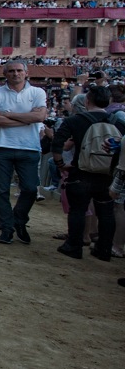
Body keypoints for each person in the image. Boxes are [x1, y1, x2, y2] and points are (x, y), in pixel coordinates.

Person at [0, 61, 48, 245]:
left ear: (26, 73)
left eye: (19, 70)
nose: (15, 74)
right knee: (1, 191)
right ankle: (6, 228)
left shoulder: (37, 92)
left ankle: (18, 220)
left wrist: (8, 115)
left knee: (29, 189)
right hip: (1, 147)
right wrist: (27, 119)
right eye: (11, 71)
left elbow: (40, 117)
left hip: (29, 147)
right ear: (5, 73)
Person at [54, 86, 117, 261]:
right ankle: (104, 250)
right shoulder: (116, 121)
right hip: (107, 173)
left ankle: (74, 246)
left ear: (87, 101)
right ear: (109, 101)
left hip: (80, 171)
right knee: (106, 212)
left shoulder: (75, 121)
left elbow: (57, 144)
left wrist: (60, 164)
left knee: (78, 210)